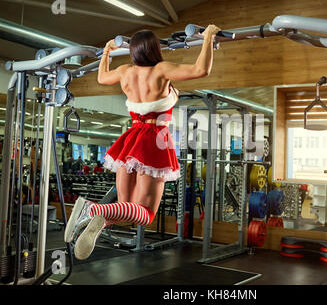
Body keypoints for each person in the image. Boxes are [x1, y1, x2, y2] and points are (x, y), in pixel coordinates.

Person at [64, 24, 221, 259]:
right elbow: (201, 70)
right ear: (155, 49)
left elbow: (102, 77)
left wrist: (106, 51)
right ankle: (93, 209)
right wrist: (208, 37)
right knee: (146, 213)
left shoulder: (125, 72)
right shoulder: (161, 70)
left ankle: (99, 220)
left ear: (133, 52)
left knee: (127, 211)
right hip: (154, 141)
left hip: (131, 139)